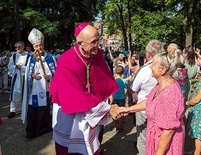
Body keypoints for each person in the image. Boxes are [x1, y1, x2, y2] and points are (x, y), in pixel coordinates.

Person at [49, 22, 118, 155]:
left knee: (90, 146)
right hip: (69, 113)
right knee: (70, 147)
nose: (98, 45)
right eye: (93, 42)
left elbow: (102, 79)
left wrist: (106, 95)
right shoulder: (66, 61)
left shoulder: (95, 54)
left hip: (91, 107)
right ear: (80, 43)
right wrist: (108, 108)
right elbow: (74, 97)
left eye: (98, 40)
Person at [115, 52, 185, 155]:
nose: (150, 67)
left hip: (165, 144)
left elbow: (168, 131)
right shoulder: (160, 85)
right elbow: (150, 102)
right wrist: (127, 109)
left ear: (163, 70)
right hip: (156, 137)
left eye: (153, 64)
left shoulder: (170, 94)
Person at [128, 40, 164, 155]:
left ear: (148, 54)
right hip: (160, 109)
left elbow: (133, 88)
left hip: (144, 109)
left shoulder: (145, 69)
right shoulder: (167, 66)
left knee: (144, 138)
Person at [20, 28, 56, 139]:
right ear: (33, 47)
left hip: (45, 90)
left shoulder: (50, 58)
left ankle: (42, 129)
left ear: (43, 45)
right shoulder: (30, 58)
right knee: (33, 110)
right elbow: (25, 71)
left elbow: (56, 73)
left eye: (40, 45)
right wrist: (32, 75)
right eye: (36, 46)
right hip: (33, 90)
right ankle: (30, 132)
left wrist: (49, 77)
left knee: (43, 110)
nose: (39, 48)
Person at [7, 41, 31, 118]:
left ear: (23, 47)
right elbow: (10, 65)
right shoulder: (13, 56)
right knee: (14, 93)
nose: (17, 48)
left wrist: (21, 68)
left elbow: (30, 67)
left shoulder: (28, 55)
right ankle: (13, 110)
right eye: (16, 47)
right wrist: (14, 69)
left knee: (25, 93)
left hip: (25, 77)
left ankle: (25, 109)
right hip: (16, 77)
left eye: (19, 47)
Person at [111, 65, 126, 132]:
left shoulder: (113, 81)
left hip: (115, 98)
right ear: (123, 72)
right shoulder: (124, 81)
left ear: (115, 72)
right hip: (122, 98)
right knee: (121, 112)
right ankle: (120, 125)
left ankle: (114, 126)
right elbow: (126, 89)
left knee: (114, 112)